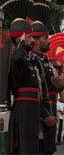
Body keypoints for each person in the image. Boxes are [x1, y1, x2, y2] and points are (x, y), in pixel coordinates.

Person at [7, 18, 41, 154]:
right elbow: (16, 59)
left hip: (32, 109)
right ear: (20, 38)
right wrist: (21, 44)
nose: (33, 40)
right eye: (29, 37)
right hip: (23, 111)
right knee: (24, 148)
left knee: (32, 148)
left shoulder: (29, 60)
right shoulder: (15, 57)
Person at [31, 21, 63, 155]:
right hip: (40, 114)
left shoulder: (47, 62)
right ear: (36, 41)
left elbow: (59, 87)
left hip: (52, 110)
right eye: (45, 38)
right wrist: (44, 116)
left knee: (49, 149)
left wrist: (59, 84)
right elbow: (34, 92)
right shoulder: (32, 60)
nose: (49, 41)